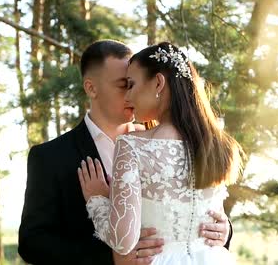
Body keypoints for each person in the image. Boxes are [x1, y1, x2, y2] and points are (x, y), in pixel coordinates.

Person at [18, 40, 233, 265]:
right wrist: (112, 257)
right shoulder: (50, 156)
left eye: (134, 83)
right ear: (91, 88)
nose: (131, 95)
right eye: (124, 84)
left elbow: (199, 215)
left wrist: (224, 231)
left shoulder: (174, 142)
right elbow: (32, 242)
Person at [78, 42, 242, 264]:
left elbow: (123, 241)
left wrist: (97, 200)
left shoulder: (132, 145)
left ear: (158, 83)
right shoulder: (219, 144)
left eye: (132, 84)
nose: (128, 97)